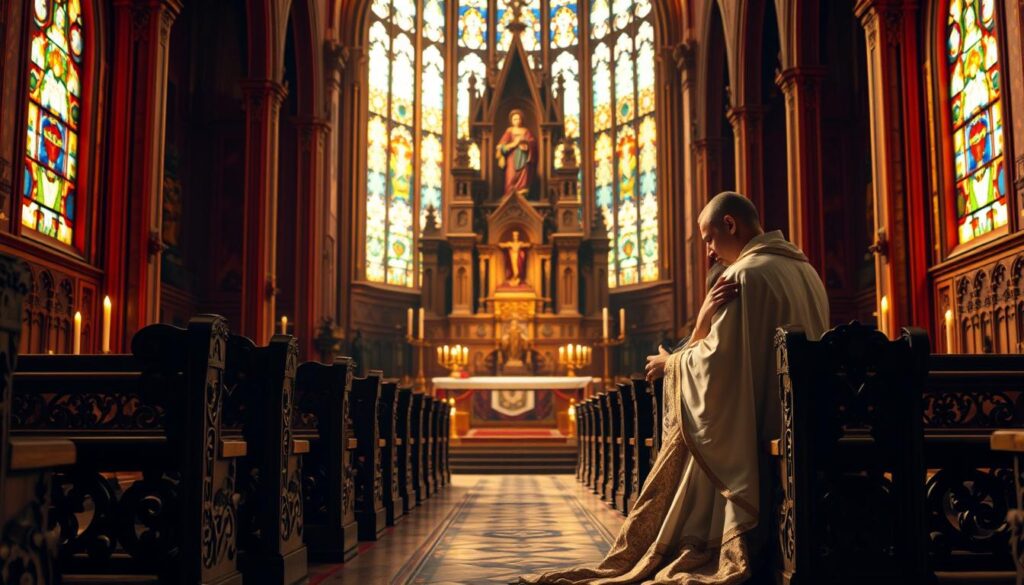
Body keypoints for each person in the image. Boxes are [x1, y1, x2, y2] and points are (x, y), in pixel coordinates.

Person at [517, 192, 829, 584]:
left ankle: (725, 539)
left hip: (758, 432)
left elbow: (718, 365)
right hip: (803, 426)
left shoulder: (743, 276)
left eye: (709, 239)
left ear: (730, 225)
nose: (710, 252)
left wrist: (671, 363)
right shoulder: (807, 272)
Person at [496, 109, 537, 197]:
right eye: (514, 119)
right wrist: (514, 144)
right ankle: (509, 194)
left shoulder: (526, 131)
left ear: (521, 119)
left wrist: (526, 143)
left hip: (523, 156)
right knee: (511, 175)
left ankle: (521, 192)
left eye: (518, 119)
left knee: (524, 173)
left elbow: (533, 143)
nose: (517, 121)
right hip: (512, 156)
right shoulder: (509, 131)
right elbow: (501, 146)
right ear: (511, 121)